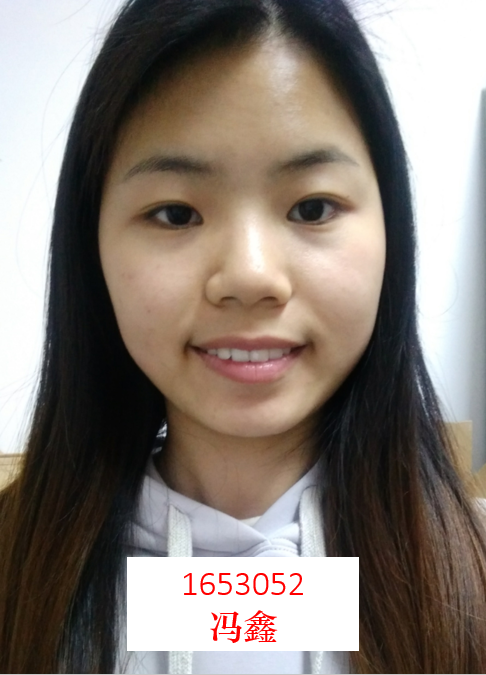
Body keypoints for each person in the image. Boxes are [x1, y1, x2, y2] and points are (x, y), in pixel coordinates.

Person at [1, 0, 485, 672]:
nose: (251, 276)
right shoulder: (16, 570)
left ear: (391, 234)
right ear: (93, 249)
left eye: (312, 207)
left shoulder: (470, 573)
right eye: (176, 214)